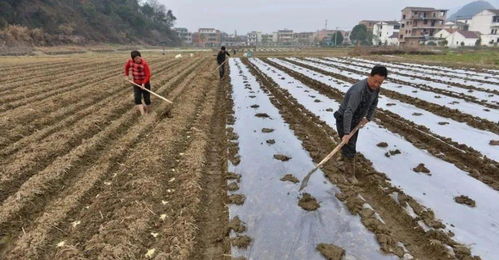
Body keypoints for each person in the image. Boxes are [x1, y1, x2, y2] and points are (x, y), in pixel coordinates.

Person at [334, 65, 387, 183]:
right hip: (344, 119)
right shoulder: (358, 91)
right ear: (370, 76)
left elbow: (374, 102)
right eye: (375, 81)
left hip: (356, 120)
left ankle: (341, 161)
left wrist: (368, 117)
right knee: (350, 147)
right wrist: (347, 132)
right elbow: (348, 112)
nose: (377, 85)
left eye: (380, 83)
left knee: (347, 145)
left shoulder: (375, 89)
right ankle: (349, 175)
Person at [124, 50, 151, 116]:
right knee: (137, 98)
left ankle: (147, 112)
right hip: (136, 83)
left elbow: (148, 75)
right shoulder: (130, 62)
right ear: (133, 59)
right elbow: (126, 67)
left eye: (139, 58)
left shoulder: (144, 64)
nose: (138, 59)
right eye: (136, 58)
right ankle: (142, 114)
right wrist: (127, 75)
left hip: (145, 83)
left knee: (146, 99)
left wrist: (143, 84)